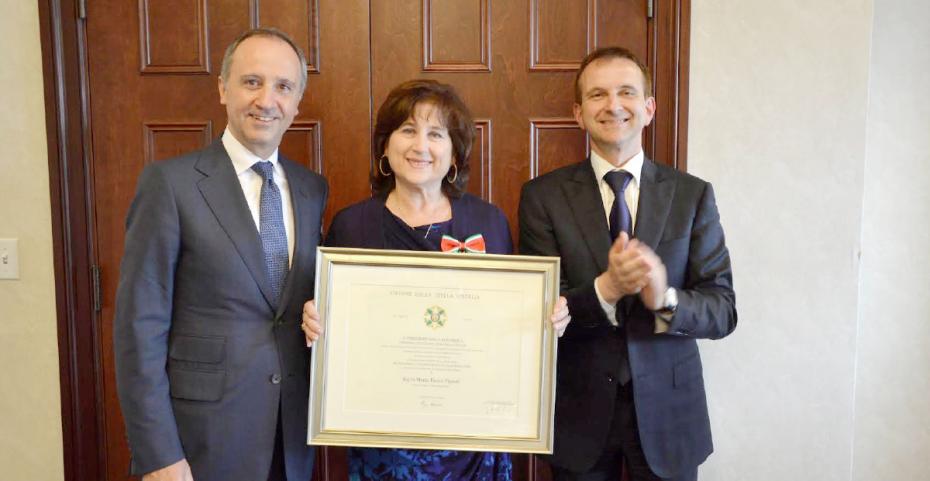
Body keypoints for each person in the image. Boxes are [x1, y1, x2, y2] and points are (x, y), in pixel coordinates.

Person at [299, 79, 571, 481]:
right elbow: (338, 331)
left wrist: (545, 318)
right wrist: (315, 320)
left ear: (454, 152)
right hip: (384, 437)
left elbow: (505, 324)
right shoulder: (352, 225)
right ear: (385, 148)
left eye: (436, 134)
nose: (420, 146)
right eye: (407, 130)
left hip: (475, 435)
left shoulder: (488, 222)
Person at [113, 28, 327, 481]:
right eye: (252, 82)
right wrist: (158, 456)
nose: (267, 100)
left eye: (283, 87)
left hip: (289, 441)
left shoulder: (311, 190)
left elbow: (295, 304)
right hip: (200, 443)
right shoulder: (170, 185)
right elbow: (139, 328)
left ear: (297, 103)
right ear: (223, 88)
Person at [518, 47, 737, 481]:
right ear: (578, 113)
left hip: (669, 415)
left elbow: (723, 310)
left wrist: (666, 298)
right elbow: (538, 311)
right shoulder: (542, 197)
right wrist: (606, 290)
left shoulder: (693, 196)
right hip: (577, 413)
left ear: (649, 108)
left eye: (627, 92)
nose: (614, 105)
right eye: (598, 95)